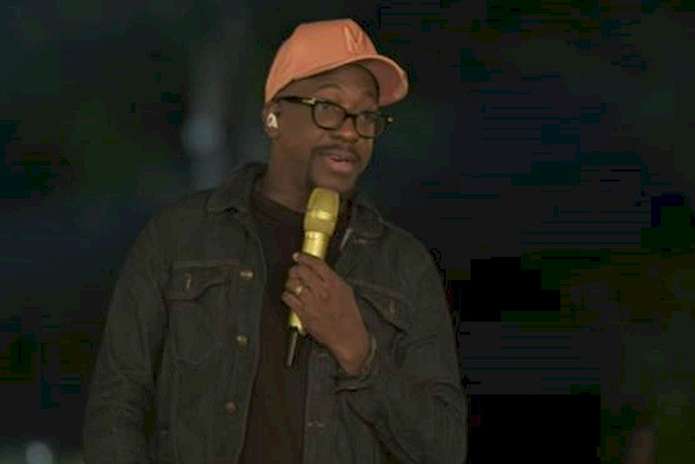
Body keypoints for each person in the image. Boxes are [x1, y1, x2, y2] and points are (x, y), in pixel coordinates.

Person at [83, 18, 468, 464]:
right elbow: (117, 407)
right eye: (328, 107)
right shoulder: (180, 236)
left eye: (367, 116)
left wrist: (358, 352)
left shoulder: (403, 264)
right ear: (273, 117)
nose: (350, 131)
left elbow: (444, 448)